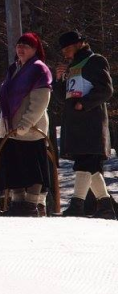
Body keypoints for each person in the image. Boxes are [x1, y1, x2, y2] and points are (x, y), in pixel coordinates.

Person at [0, 33, 52, 217]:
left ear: (35, 49)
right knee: (14, 168)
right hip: (13, 129)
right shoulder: (15, 68)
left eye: (26, 46)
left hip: (30, 130)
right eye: (19, 45)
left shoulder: (38, 69)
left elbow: (40, 101)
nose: (21, 49)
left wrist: (26, 124)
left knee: (33, 169)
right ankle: (18, 203)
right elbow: (12, 96)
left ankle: (31, 205)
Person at [53, 31, 115, 219]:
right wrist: (58, 79)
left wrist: (84, 103)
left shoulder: (95, 61)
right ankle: (105, 206)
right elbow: (62, 97)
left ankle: (77, 204)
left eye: (68, 48)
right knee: (91, 167)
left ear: (80, 44)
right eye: (63, 50)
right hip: (75, 124)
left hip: (91, 123)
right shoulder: (72, 66)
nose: (65, 53)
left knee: (84, 163)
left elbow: (106, 89)